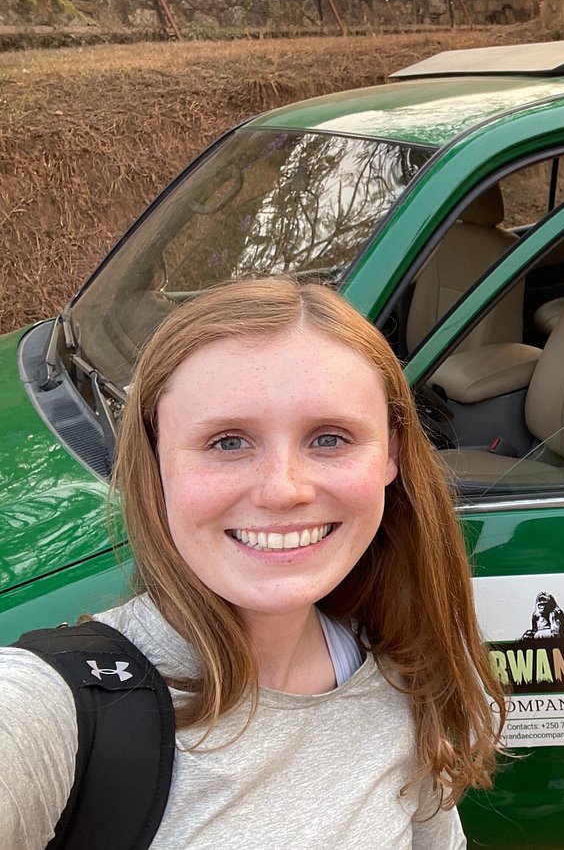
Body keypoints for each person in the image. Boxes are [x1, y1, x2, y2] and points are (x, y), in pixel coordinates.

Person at [0, 278, 505, 848]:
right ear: (156, 458)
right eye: (228, 442)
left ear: (390, 453)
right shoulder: (49, 709)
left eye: (331, 438)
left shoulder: (402, 679)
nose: (282, 490)